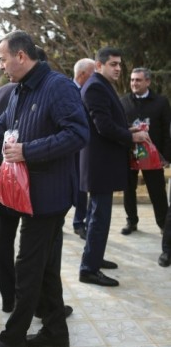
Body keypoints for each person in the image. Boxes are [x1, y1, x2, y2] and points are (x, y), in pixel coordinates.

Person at [0, 30, 89, 347]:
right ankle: (55, 330)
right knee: (45, 265)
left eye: (3, 59)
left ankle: (13, 337)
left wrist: (27, 151)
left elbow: (78, 134)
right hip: (28, 194)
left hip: (48, 196)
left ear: (21, 56)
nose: (1, 65)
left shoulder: (58, 86)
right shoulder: (19, 91)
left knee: (28, 266)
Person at [79, 47, 150, 287]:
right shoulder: (96, 86)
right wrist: (132, 138)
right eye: (113, 64)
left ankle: (94, 258)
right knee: (100, 217)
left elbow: (111, 122)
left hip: (102, 163)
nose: (118, 68)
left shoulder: (103, 84)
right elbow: (104, 127)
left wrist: (128, 130)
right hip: (100, 164)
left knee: (96, 215)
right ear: (98, 66)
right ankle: (89, 269)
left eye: (120, 64)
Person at [120, 68, 171, 235]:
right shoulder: (123, 102)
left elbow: (166, 131)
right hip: (129, 154)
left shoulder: (161, 102)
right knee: (129, 189)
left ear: (147, 82)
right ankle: (131, 222)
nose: (134, 83)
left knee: (157, 191)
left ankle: (163, 224)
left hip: (153, 156)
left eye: (138, 80)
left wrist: (166, 156)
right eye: (132, 80)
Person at [72, 58, 95, 240]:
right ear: (82, 75)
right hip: (67, 148)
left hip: (84, 148)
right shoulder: (67, 90)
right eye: (93, 74)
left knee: (81, 186)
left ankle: (79, 221)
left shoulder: (92, 91)